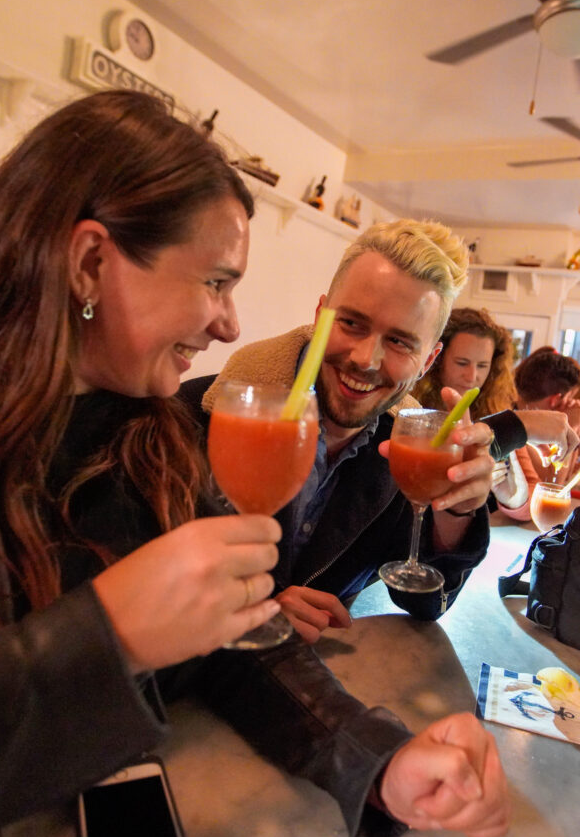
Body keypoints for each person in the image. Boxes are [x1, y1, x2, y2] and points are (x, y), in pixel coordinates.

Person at [0, 92, 509, 837]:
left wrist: (378, 763)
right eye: (217, 283)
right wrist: (103, 637)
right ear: (89, 264)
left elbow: (240, 649)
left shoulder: (153, 444)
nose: (229, 324)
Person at [183, 220, 513, 642]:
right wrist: (254, 606)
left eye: (399, 342)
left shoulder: (403, 451)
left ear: (428, 361)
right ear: (321, 315)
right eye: (352, 324)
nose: (365, 358)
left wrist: (457, 510)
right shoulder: (193, 417)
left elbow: (427, 603)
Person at [415, 307, 537, 522]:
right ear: (437, 359)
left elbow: (531, 503)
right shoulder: (412, 410)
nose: (472, 376)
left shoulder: (498, 416)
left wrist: (512, 496)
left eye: (482, 366)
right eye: (462, 363)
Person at [513, 347, 580, 488]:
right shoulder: (522, 428)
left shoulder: (516, 413)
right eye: (571, 397)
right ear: (556, 399)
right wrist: (572, 426)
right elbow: (553, 485)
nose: (573, 403)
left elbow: (567, 475)